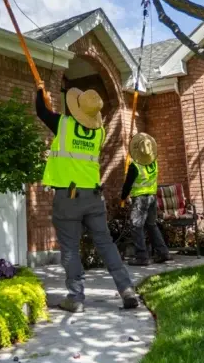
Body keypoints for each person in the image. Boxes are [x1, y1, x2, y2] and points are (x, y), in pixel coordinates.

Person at [36, 83, 138, 313]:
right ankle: (126, 289)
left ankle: (76, 297)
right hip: (93, 196)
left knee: (70, 248)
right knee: (106, 243)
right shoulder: (99, 133)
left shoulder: (63, 124)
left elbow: (41, 111)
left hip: (69, 197)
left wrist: (40, 91)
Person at [121, 133, 172, 266]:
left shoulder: (135, 166)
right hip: (152, 198)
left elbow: (128, 184)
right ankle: (163, 252)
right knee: (151, 225)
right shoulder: (154, 162)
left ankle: (141, 257)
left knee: (136, 227)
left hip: (140, 199)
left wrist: (123, 197)